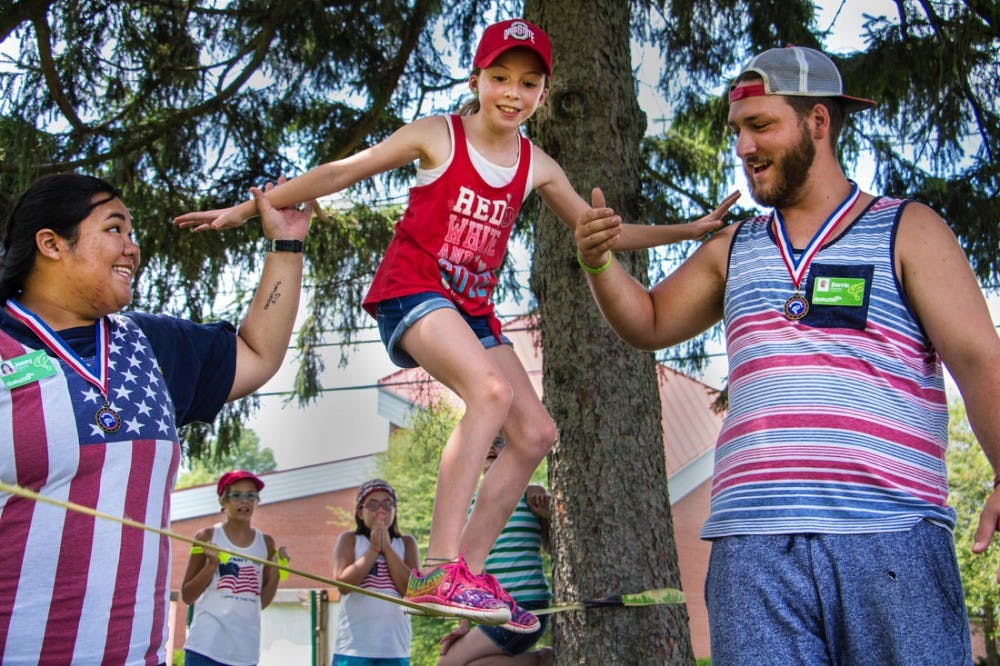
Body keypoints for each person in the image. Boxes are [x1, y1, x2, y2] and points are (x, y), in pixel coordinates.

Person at [174, 18, 737, 628]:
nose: (512, 94)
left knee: (535, 434)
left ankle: (463, 572)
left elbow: (603, 232)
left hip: (470, 310)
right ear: (477, 78)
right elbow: (342, 172)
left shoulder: (537, 164)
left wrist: (692, 230)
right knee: (490, 394)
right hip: (412, 290)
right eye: (499, 78)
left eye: (527, 83)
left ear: (541, 94)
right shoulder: (437, 135)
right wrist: (245, 209)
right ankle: (438, 566)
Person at [574, 45, 1000, 663]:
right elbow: (649, 320)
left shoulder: (908, 227)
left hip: (889, 536)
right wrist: (597, 261)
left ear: (818, 122)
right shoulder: (733, 246)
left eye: (761, 125)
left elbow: (978, 355)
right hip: (752, 546)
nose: (743, 147)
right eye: (737, 131)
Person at [0, 173, 311, 665]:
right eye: (115, 229)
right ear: (52, 244)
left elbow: (257, 354)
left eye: (132, 233)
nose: (133, 248)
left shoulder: (149, 342)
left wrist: (287, 242)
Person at [438, 434, 553, 666]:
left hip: (527, 605)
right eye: (485, 441)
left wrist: (547, 518)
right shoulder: (471, 509)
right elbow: (469, 573)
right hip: (495, 610)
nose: (491, 446)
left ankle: (543, 659)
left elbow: (553, 549)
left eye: (499, 441)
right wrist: (463, 625)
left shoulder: (530, 492)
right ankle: (542, 659)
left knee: (447, 665)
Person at [182, 470, 287, 666]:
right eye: (236, 495)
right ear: (223, 501)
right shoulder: (205, 537)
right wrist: (211, 566)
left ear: (257, 501)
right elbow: (187, 595)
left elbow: (259, 603)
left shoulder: (266, 543)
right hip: (206, 648)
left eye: (251, 496)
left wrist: (276, 574)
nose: (244, 501)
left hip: (244, 653)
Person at [331, 478, 420, 666]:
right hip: (354, 648)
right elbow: (343, 585)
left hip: (394, 649)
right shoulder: (350, 540)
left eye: (387, 504)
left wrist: (387, 548)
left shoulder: (406, 543)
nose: (381, 510)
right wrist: (373, 549)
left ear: (395, 511)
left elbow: (411, 591)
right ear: (360, 512)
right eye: (372, 504)